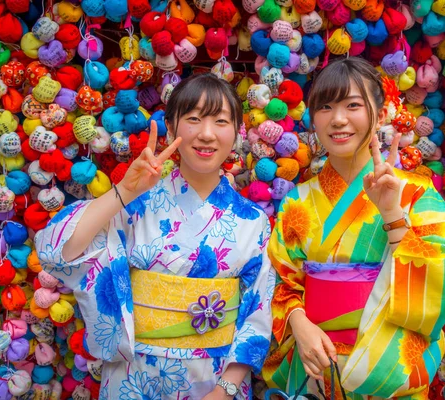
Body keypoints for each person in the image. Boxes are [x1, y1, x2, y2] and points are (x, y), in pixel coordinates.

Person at [35, 73, 276, 400]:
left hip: (215, 381)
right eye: (193, 119)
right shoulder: (136, 204)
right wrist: (123, 191)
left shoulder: (254, 221)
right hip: (134, 377)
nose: (206, 134)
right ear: (172, 128)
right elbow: (56, 251)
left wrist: (226, 388)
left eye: (221, 121)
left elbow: (257, 311)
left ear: (236, 133)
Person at [261, 58, 445, 399]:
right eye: (325, 107)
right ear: (313, 119)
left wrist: (393, 214)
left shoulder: (414, 191)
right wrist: (298, 324)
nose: (338, 119)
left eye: (353, 105)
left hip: (388, 366)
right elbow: (280, 280)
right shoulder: (297, 201)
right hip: (318, 365)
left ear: (380, 115)